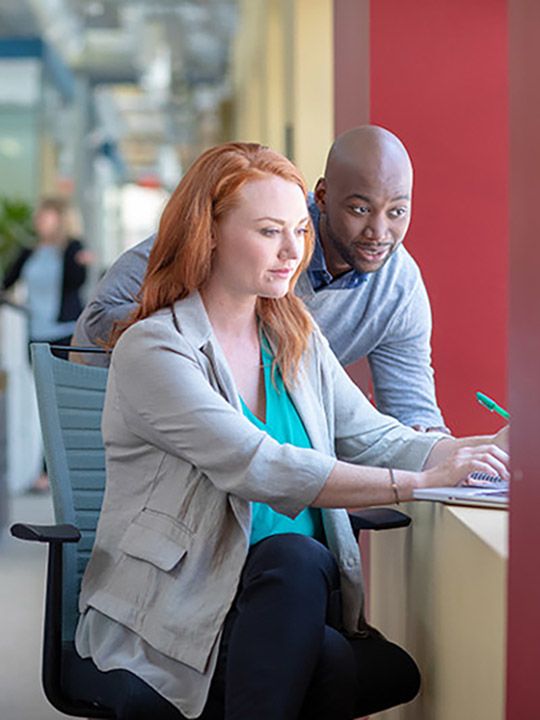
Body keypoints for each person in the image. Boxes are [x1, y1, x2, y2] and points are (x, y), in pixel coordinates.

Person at [73, 142, 509, 720]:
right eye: (269, 231)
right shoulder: (155, 347)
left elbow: (375, 435)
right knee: (323, 648)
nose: (292, 251)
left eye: (300, 231)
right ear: (209, 235)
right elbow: (260, 466)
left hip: (286, 595)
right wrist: (416, 481)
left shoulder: (292, 334)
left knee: (302, 577)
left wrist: (477, 449)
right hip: (189, 599)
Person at [70, 125, 447, 432]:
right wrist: (218, 347)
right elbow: (99, 323)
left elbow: (403, 420)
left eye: (397, 211)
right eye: (360, 209)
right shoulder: (234, 249)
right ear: (322, 197)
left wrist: (445, 452)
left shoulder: (391, 292)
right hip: (145, 427)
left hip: (271, 444)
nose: (378, 231)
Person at [2, 196, 92, 358]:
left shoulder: (73, 248)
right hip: (36, 334)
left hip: (66, 332)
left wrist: (81, 263)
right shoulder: (29, 251)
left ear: (61, 219)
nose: (38, 220)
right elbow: (7, 282)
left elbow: (77, 282)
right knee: (39, 381)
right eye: (38, 216)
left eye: (44, 216)